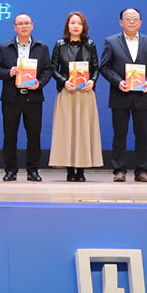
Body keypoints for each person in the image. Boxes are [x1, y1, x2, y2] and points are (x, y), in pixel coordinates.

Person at [98, 7, 147, 182]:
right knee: (120, 134)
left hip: (142, 95)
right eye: (128, 18)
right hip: (120, 94)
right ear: (121, 22)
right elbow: (104, 67)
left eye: (135, 18)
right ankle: (119, 170)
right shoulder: (111, 41)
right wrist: (119, 82)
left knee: (142, 134)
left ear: (140, 22)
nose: (132, 21)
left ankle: (142, 171)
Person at [0, 13, 53, 182]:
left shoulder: (42, 47)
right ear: (14, 27)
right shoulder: (5, 47)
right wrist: (8, 72)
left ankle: (33, 170)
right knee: (10, 135)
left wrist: (39, 83)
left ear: (32, 26)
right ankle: (10, 170)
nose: (24, 26)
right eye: (20, 24)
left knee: (34, 136)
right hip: (11, 97)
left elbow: (48, 69)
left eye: (27, 23)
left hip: (33, 97)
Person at [49, 11, 103, 182]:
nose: (76, 26)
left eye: (79, 23)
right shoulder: (59, 44)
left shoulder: (90, 44)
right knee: (67, 130)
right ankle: (69, 169)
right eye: (72, 23)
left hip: (85, 93)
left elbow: (96, 68)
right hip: (67, 92)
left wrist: (92, 81)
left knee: (84, 130)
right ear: (67, 26)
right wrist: (64, 81)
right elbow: (52, 68)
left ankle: (81, 169)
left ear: (83, 26)